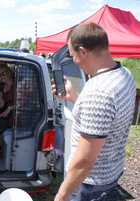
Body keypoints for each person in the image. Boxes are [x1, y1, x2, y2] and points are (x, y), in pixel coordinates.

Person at [53, 22, 136, 201]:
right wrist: (75, 97)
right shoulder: (124, 73)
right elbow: (106, 117)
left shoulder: (98, 93)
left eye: (73, 55)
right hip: (110, 173)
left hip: (88, 184)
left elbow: (84, 162)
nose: (74, 60)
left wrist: (61, 195)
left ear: (83, 52)